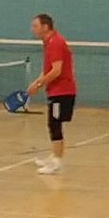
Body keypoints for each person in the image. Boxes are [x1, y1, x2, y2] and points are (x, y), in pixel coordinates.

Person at [27, 13, 77, 174]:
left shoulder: (55, 43)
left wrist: (40, 83)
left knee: (54, 124)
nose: (32, 29)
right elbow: (47, 70)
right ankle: (55, 156)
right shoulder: (48, 43)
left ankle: (57, 162)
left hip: (62, 91)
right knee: (53, 124)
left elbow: (56, 71)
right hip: (55, 91)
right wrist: (36, 83)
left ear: (45, 27)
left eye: (35, 26)